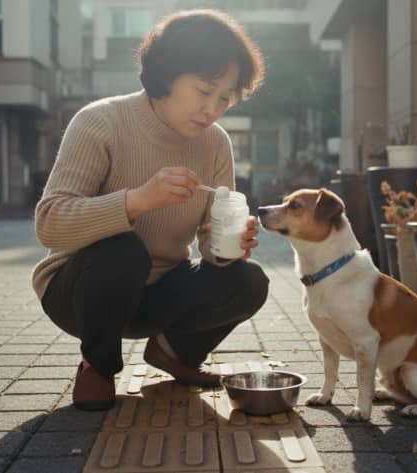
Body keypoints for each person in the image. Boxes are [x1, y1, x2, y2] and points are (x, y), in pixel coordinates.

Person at [32, 9, 269, 411]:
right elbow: (50, 224)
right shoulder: (100, 122)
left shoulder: (214, 144)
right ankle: (98, 366)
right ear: (167, 73)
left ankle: (173, 352)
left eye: (225, 98)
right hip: (81, 294)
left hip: (160, 294)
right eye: (204, 90)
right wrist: (139, 199)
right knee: (121, 251)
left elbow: (209, 243)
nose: (212, 109)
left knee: (249, 280)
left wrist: (228, 245)